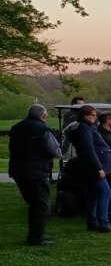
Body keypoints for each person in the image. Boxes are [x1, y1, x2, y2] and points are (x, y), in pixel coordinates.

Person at [8, 104, 61, 246]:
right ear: (43, 116)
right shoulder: (42, 129)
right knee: (42, 205)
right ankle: (37, 238)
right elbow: (53, 150)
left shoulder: (17, 128)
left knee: (34, 203)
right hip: (37, 171)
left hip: (18, 170)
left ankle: (35, 235)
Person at [68, 104, 111, 233]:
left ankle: (92, 222)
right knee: (105, 193)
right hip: (92, 168)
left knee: (93, 195)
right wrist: (99, 168)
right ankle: (103, 223)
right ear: (85, 116)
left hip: (91, 167)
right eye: (93, 115)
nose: (95, 118)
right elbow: (89, 150)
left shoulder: (88, 127)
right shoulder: (84, 129)